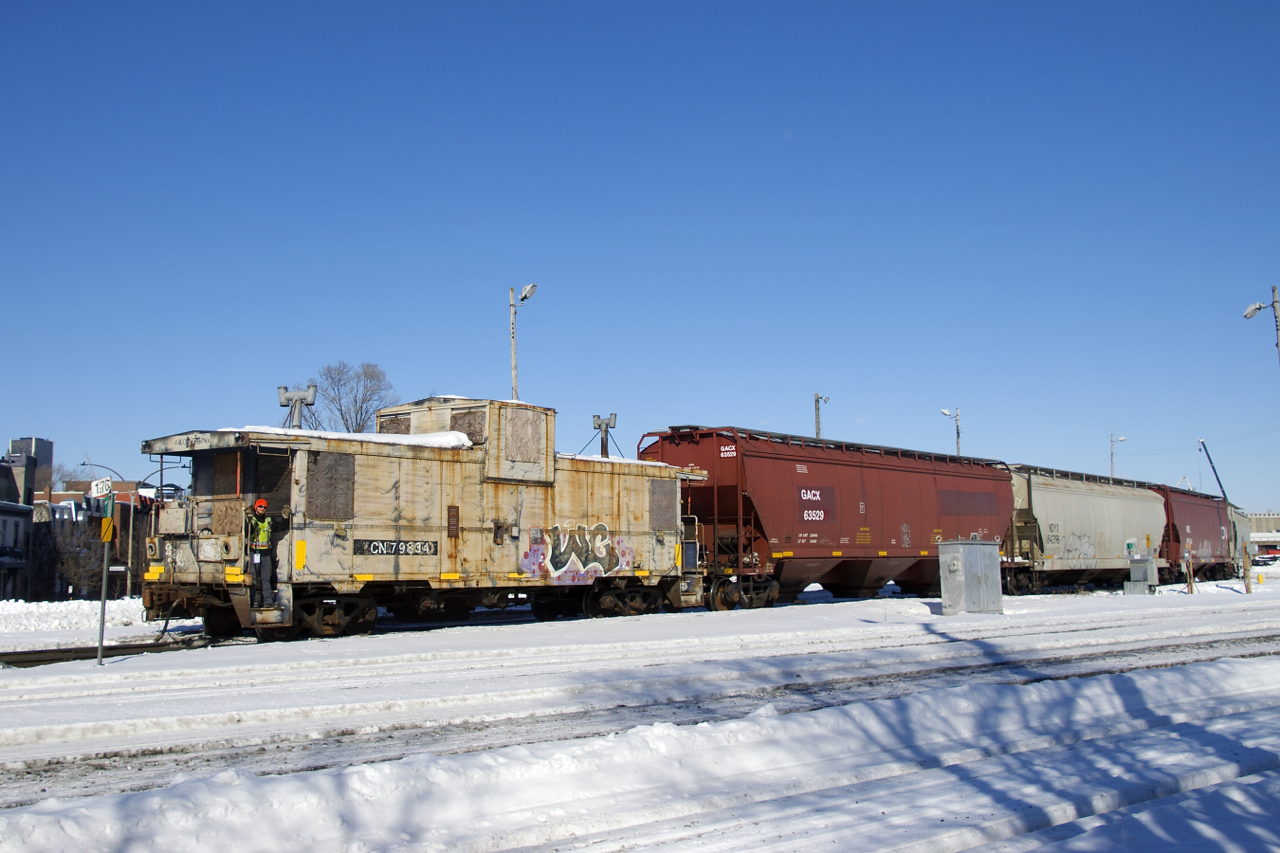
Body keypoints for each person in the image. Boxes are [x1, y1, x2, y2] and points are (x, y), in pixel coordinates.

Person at [247, 498, 277, 607]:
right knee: (253, 578)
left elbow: (279, 527)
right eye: (260, 506)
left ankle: (268, 601)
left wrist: (286, 518)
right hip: (254, 552)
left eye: (264, 507)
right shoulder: (252, 520)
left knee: (266, 578)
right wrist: (248, 522)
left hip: (265, 553)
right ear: (256, 508)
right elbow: (247, 532)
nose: (262, 508)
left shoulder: (268, 521)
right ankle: (253, 601)